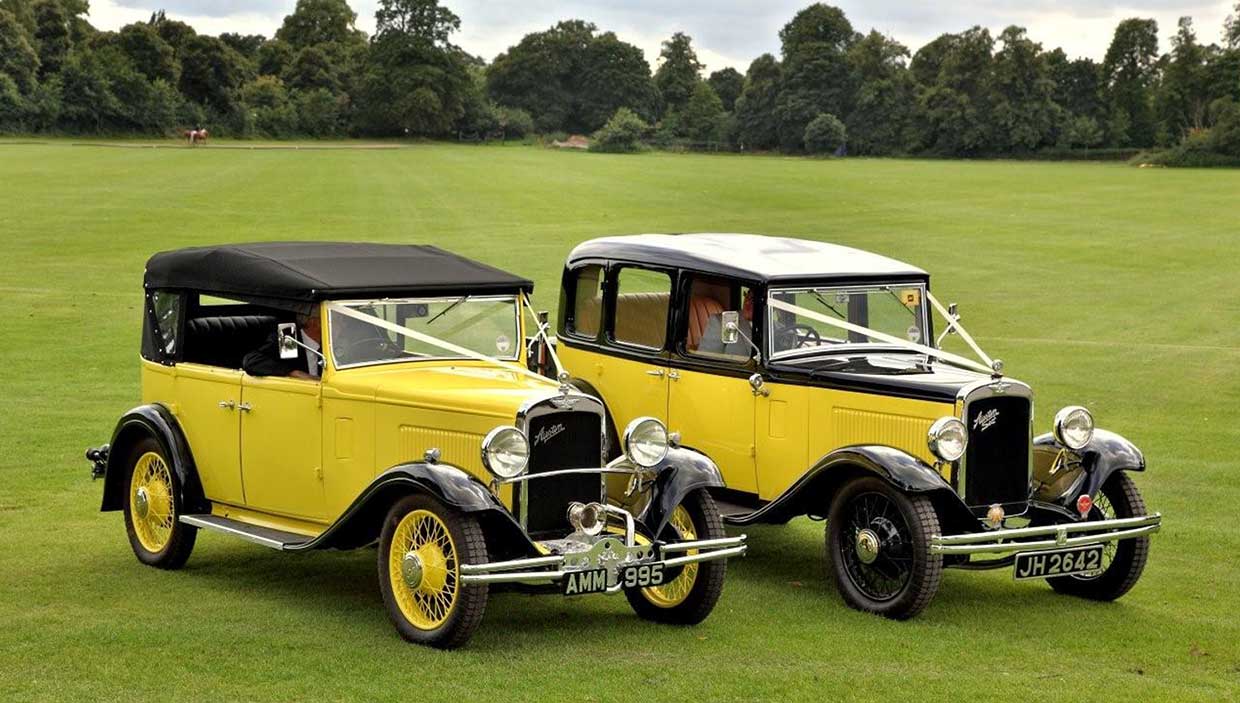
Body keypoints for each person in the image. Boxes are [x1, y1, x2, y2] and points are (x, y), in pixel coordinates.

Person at [242, 309, 322, 379]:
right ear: (314, 322)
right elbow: (252, 361)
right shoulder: (289, 339)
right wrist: (292, 372)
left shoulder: (330, 342)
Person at [697, 289, 754, 358]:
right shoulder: (727, 321)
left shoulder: (769, 325)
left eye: (753, 299)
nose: (747, 302)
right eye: (746, 296)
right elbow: (706, 360)